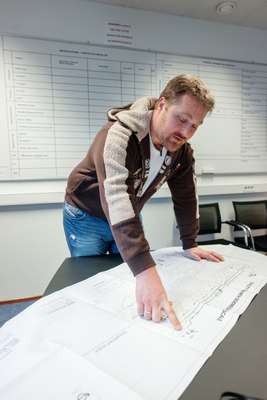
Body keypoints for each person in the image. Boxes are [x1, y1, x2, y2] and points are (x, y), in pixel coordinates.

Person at [63, 74, 224, 330]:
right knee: (91, 283)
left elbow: (186, 195)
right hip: (86, 214)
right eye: (181, 119)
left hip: (127, 212)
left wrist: (190, 242)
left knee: (126, 282)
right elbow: (115, 195)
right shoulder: (118, 136)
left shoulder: (180, 149)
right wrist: (146, 271)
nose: (185, 132)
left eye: (195, 125)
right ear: (162, 104)